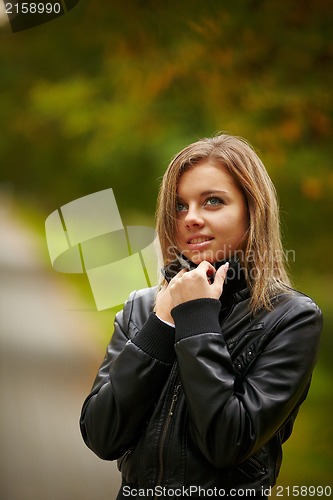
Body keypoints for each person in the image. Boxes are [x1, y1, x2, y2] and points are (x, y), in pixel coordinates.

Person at [80, 133, 323, 499]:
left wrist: (196, 317)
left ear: (251, 211)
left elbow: (227, 443)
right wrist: (160, 325)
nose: (191, 218)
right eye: (179, 206)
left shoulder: (292, 318)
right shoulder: (142, 307)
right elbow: (101, 436)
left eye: (212, 201)